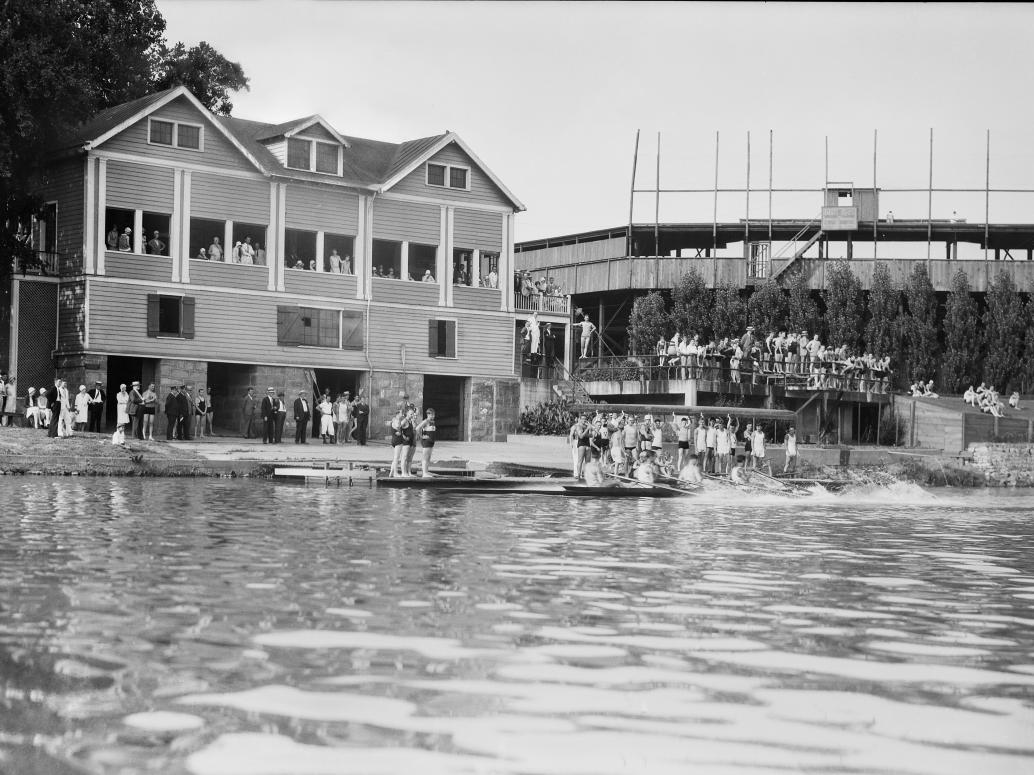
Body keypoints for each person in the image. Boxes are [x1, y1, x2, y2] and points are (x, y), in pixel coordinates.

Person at [388, 405, 413, 476]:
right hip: (397, 440)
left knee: (396, 457)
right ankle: (395, 473)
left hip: (398, 440)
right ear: (397, 414)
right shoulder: (396, 420)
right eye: (401, 413)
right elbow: (397, 428)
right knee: (396, 457)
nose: (402, 415)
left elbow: (398, 429)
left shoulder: (397, 420)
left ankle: (392, 472)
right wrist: (401, 433)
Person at [414, 408, 437, 477]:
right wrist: (421, 437)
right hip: (426, 442)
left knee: (428, 457)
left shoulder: (432, 422)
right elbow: (417, 428)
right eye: (431, 415)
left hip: (431, 442)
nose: (432, 416)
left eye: (433, 415)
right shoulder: (425, 421)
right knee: (425, 457)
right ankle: (424, 473)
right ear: (427, 414)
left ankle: (426, 471)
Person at [568, 414, 591, 480]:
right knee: (577, 459)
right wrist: (571, 443)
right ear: (579, 419)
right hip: (576, 442)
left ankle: (582, 474)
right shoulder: (575, 426)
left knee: (583, 460)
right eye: (582, 419)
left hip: (583, 442)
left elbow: (590, 434)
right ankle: (577, 474)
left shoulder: (585, 426)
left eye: (585, 419)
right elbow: (571, 435)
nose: (584, 420)